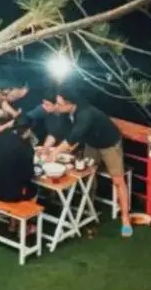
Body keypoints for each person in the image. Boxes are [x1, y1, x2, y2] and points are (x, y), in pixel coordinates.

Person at [45, 86, 132, 237]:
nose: (57, 106)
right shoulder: (67, 112)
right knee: (86, 174)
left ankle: (125, 218)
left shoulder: (85, 114)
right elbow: (60, 132)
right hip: (92, 143)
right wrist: (47, 148)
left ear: (70, 103)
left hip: (109, 143)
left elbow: (72, 138)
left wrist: (55, 153)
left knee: (118, 180)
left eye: (59, 104)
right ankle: (88, 209)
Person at [0, 121, 38, 204]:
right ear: (27, 131)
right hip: (10, 195)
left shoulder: (1, 137)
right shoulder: (27, 148)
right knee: (34, 189)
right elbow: (28, 175)